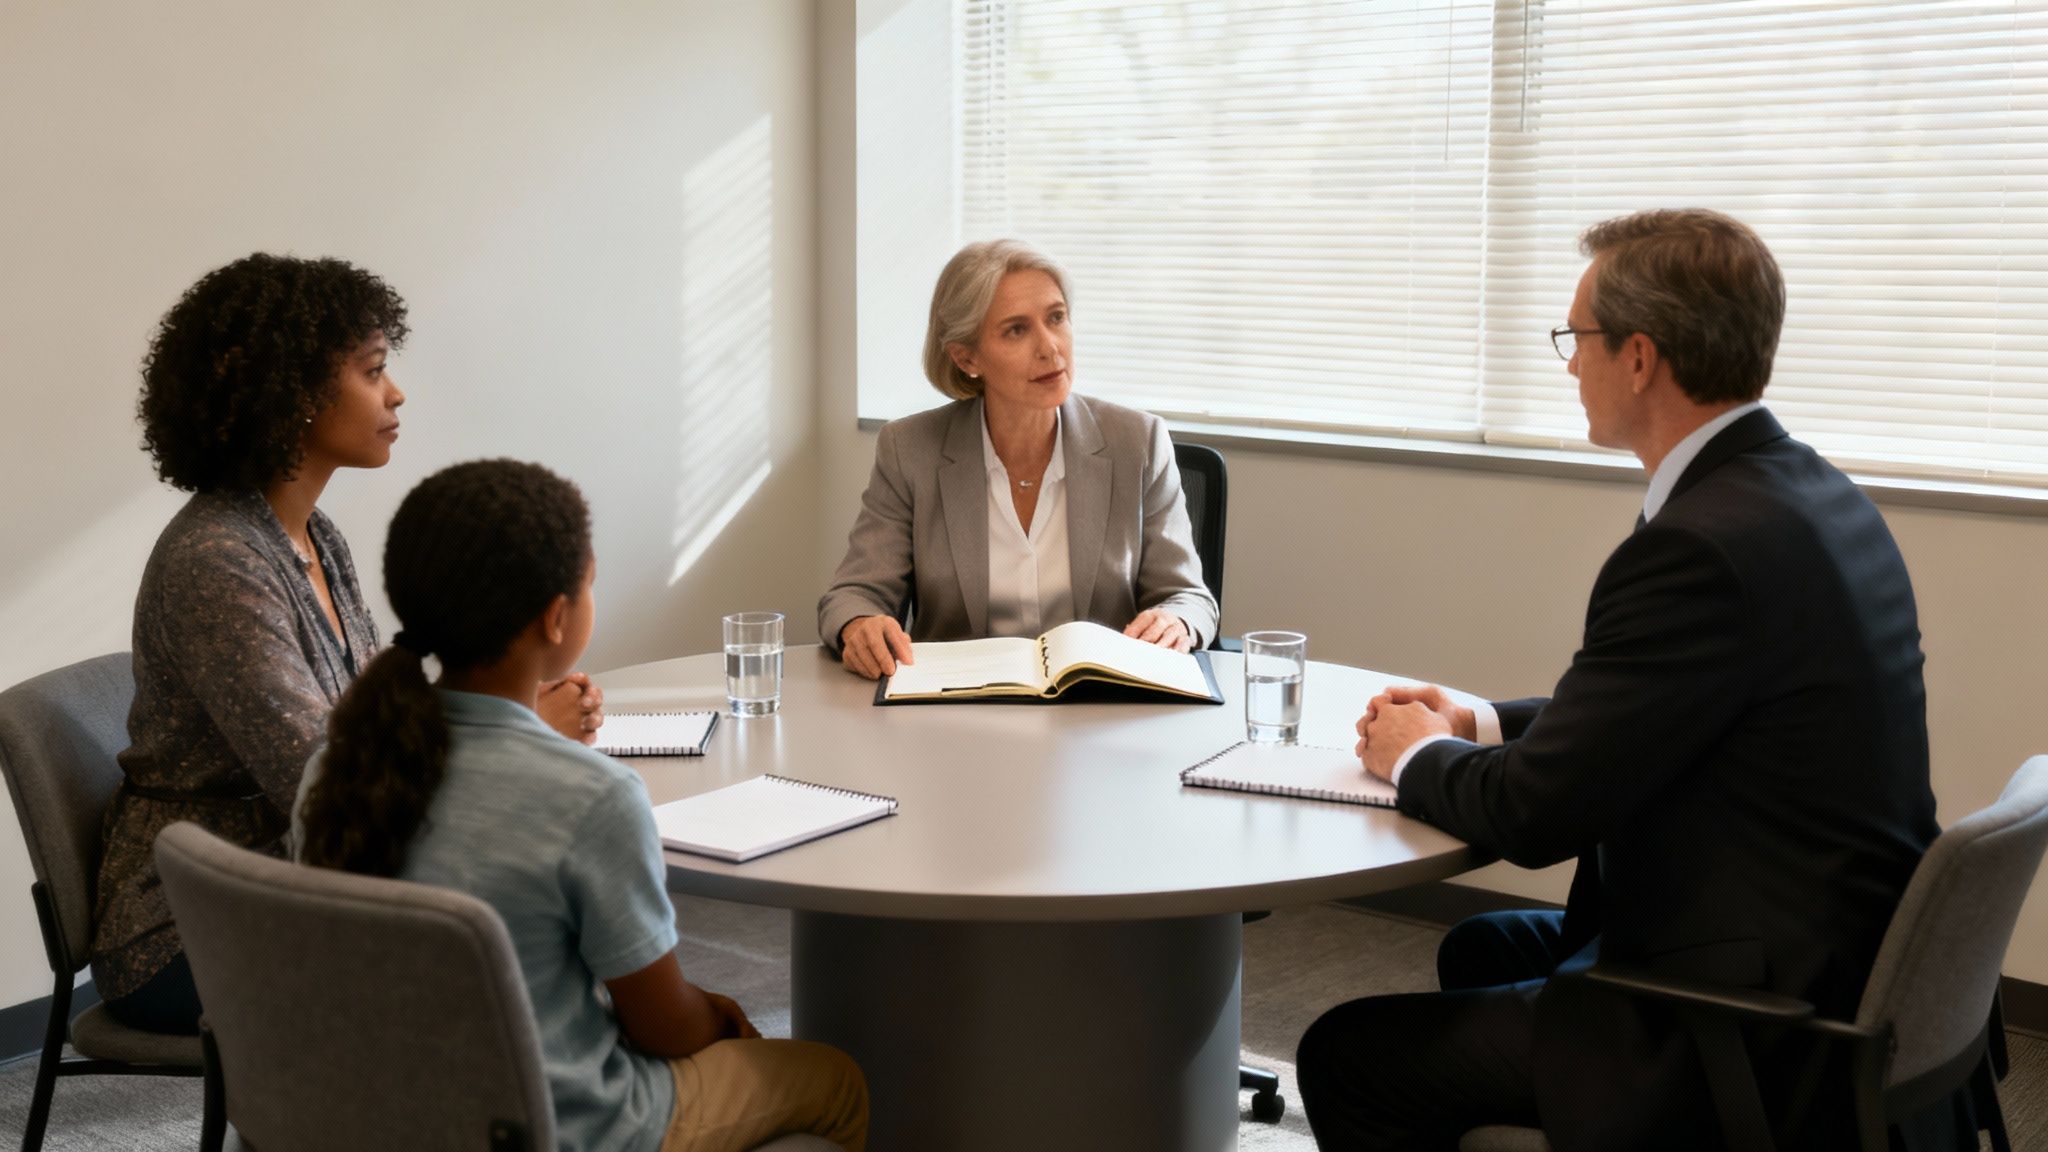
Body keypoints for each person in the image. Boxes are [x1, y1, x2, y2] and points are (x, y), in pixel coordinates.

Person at [1296, 210, 1942, 1150]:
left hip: (1751, 1022)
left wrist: (1413, 755)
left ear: (1639, 357)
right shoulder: (1806, 493)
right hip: (1828, 958)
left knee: (1347, 1055)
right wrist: (1475, 720)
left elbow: (1534, 818)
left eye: (1578, 338)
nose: (1568, 364)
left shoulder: (1700, 544)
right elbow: (1653, 709)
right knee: (1480, 946)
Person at [92, 254, 604, 1035]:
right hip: (192, 927)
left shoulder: (312, 536)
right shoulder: (218, 559)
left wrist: (501, 713)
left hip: (306, 880)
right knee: (524, 938)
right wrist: (518, 740)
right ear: (290, 393)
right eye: (372, 372)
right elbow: (324, 780)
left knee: (541, 924)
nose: (396, 393)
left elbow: (367, 725)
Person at [294, 460, 868, 1152]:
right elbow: (661, 1029)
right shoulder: (592, 797)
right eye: (590, 581)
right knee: (835, 1079)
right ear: (556, 615)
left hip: (377, 1114)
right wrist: (715, 1016)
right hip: (564, 1125)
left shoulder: (337, 766)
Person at [818, 239, 1218, 678]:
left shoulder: (1137, 442)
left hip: (1099, 709)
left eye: (1056, 318)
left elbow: (1189, 597)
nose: (1050, 347)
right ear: (967, 357)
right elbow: (853, 594)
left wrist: (1175, 620)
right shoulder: (911, 449)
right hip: (958, 711)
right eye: (1016, 330)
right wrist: (860, 625)